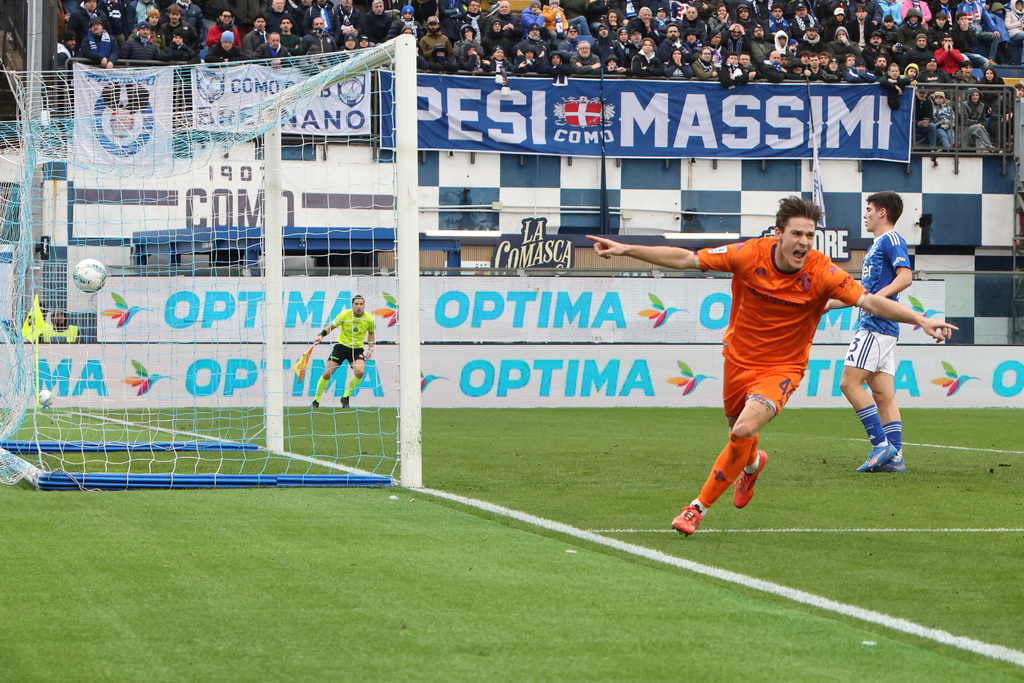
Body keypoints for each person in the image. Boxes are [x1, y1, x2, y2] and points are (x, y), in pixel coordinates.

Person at [586, 198, 955, 535]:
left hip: (783, 368)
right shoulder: (749, 254)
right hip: (737, 361)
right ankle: (752, 465)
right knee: (739, 433)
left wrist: (920, 320)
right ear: (778, 234)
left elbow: (871, 302)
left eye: (810, 235)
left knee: (744, 427)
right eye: (796, 233)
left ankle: (696, 508)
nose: (804, 241)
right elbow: (687, 259)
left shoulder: (822, 271)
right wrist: (626, 249)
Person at [822, 193, 914, 472]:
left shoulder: (892, 240)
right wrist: (827, 306)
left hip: (875, 325)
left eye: (869, 210)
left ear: (882, 213)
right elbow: (861, 294)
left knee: (849, 383)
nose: (865, 215)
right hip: (885, 327)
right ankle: (895, 459)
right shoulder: (877, 246)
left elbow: (905, 276)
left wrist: (879, 301)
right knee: (883, 394)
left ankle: (880, 446)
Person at [311, 296, 376, 409]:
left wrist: (370, 348)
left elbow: (371, 333)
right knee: (327, 373)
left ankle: (345, 397)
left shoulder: (369, 319)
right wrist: (321, 335)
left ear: (364, 305)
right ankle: (316, 400)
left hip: (356, 349)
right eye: (356, 304)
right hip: (341, 348)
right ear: (352, 305)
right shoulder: (344, 315)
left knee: (360, 372)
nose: (359, 306)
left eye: (361, 304)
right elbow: (331, 326)